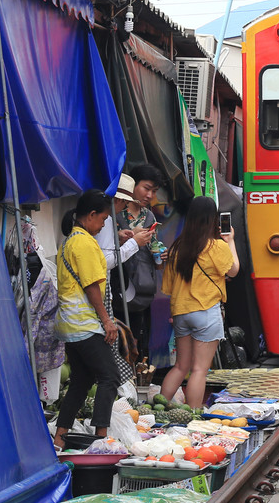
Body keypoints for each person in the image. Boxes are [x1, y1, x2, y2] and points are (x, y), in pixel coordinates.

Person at [52, 190, 119, 449]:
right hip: (84, 323)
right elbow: (92, 286)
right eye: (102, 219)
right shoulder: (84, 243)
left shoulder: (68, 241)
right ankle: (100, 437)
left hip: (68, 323)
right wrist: (107, 321)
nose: (103, 225)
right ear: (90, 216)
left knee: (81, 380)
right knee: (109, 377)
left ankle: (60, 437)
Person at [159, 196, 240, 409]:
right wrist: (230, 241)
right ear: (212, 219)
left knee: (180, 366)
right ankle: (194, 415)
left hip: (181, 313)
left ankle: (158, 407)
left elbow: (168, 286)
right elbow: (233, 270)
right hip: (205, 311)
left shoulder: (176, 248)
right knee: (199, 370)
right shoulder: (215, 246)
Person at [117, 164, 164, 357]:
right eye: (146, 188)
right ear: (133, 185)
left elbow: (155, 257)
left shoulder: (149, 216)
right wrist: (126, 237)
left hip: (141, 286)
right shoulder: (117, 211)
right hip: (118, 283)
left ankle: (131, 378)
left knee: (134, 338)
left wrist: (160, 255)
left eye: (154, 191)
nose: (150, 195)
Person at [96, 174, 154, 320]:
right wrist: (134, 242)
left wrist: (120, 237)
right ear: (118, 200)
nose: (125, 207)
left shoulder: (107, 219)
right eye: (125, 203)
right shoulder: (107, 220)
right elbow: (106, 261)